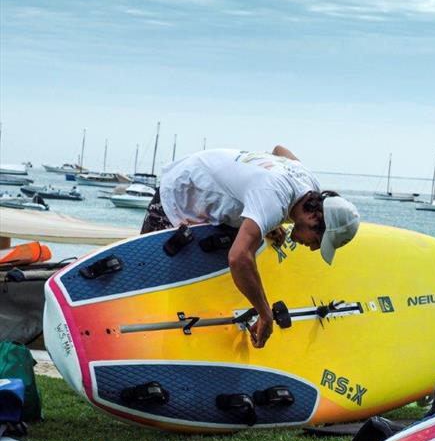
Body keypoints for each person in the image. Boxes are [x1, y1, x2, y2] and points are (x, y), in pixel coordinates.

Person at [141, 146, 360, 348]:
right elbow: (238, 257)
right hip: (181, 191)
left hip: (208, 174)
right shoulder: (274, 200)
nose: (312, 248)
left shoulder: (308, 184)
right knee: (147, 280)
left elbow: (279, 149)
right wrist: (265, 313)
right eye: (318, 241)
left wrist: (266, 221)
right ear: (314, 216)